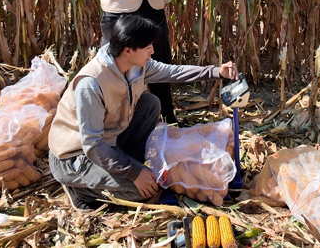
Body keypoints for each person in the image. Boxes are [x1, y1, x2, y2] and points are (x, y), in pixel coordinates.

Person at [48, 14, 239, 211]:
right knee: (143, 191)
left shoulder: (136, 65)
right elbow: (93, 145)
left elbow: (172, 72)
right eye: (148, 47)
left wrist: (216, 71)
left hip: (109, 140)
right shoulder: (91, 85)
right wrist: (133, 172)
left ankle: (125, 162)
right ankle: (81, 191)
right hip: (75, 156)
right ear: (128, 50)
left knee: (149, 103)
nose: (153, 51)